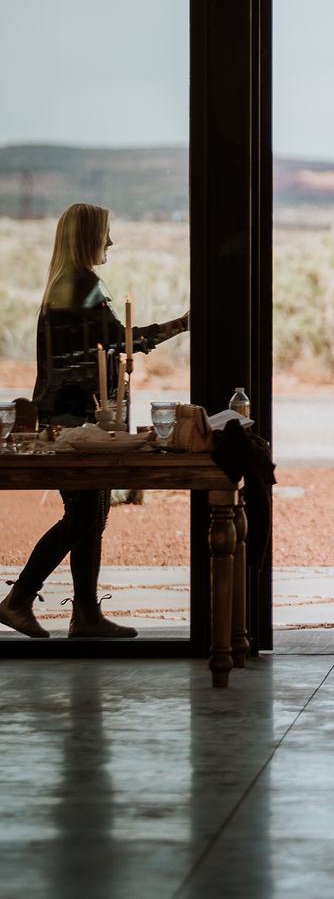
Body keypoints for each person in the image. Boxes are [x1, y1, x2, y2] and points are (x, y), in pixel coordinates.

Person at [0, 203, 189, 641]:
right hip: (72, 419)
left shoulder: (66, 283)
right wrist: (182, 324)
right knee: (85, 515)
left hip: (67, 414)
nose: (110, 241)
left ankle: (85, 616)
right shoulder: (81, 283)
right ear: (88, 237)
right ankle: (20, 600)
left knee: (91, 512)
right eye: (105, 233)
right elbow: (126, 340)